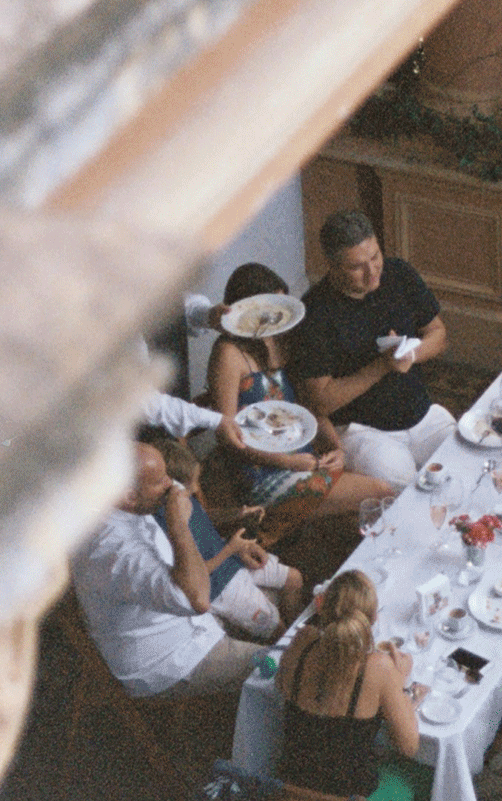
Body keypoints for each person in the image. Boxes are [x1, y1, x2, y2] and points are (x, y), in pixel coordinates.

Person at [71, 441, 297, 697]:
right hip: (170, 659)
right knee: (287, 666)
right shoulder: (112, 550)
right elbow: (196, 600)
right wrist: (178, 524)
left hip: (193, 621)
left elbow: (192, 515)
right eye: (160, 481)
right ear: (130, 496)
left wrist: (228, 544)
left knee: (276, 608)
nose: (171, 485)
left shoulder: (128, 500)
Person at [206, 263, 389, 540]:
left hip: (304, 458)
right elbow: (226, 437)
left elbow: (309, 406)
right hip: (263, 473)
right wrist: (286, 463)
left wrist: (335, 448)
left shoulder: (283, 341)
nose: (280, 320)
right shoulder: (228, 354)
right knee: (380, 494)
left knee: (361, 516)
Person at [289, 209, 455, 488]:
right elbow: (319, 401)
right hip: (362, 429)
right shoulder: (315, 313)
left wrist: (410, 353)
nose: (372, 271)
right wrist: (381, 366)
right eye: (356, 267)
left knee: (464, 465)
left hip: (421, 412)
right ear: (331, 265)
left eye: (375, 257)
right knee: (406, 488)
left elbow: (438, 334)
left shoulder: (399, 274)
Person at [274, 570, 434, 801]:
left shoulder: (303, 641)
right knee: (426, 774)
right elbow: (409, 747)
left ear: (323, 610)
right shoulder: (378, 667)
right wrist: (400, 682)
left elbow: (281, 684)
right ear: (373, 620)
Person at [151, 437, 305, 642]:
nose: (196, 489)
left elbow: (203, 516)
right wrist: (230, 549)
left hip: (231, 559)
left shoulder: (182, 499)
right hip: (220, 586)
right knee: (276, 629)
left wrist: (238, 513)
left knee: (294, 579)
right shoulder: (162, 527)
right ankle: (289, 644)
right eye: (191, 485)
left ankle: (298, 629)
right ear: (172, 486)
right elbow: (191, 578)